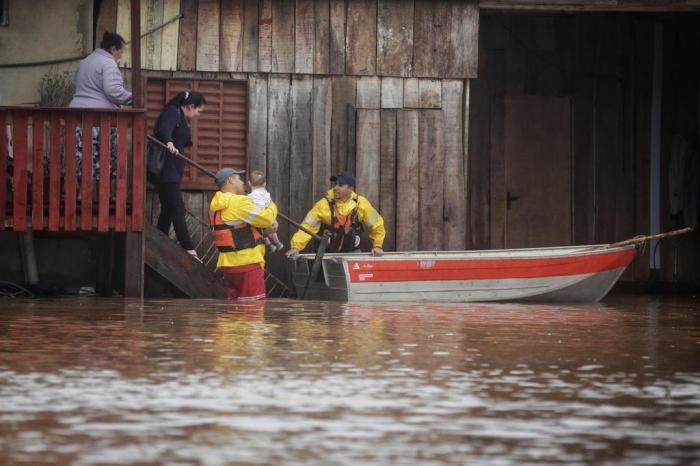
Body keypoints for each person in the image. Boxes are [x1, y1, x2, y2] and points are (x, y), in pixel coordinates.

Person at [70, 31, 132, 180]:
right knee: (103, 160)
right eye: (120, 52)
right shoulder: (108, 63)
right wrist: (132, 98)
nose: (120, 56)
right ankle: (102, 198)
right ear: (113, 49)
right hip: (100, 119)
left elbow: (74, 83)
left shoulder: (86, 61)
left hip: (77, 116)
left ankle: (79, 196)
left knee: (81, 158)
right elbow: (113, 90)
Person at [153, 90, 207, 261]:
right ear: (191, 106)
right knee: (177, 207)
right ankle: (189, 248)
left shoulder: (183, 118)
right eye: (199, 111)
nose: (198, 115)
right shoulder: (173, 111)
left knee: (169, 208)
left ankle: (158, 240)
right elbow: (164, 129)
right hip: (166, 170)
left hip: (173, 171)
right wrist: (169, 143)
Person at [210, 168, 278, 301]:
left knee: (234, 313)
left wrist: (263, 231)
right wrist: (271, 204)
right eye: (239, 179)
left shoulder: (215, 204)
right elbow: (267, 218)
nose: (243, 183)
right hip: (248, 263)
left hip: (228, 266)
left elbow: (235, 229)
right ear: (230, 180)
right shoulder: (238, 202)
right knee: (253, 311)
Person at [286, 171, 385, 257]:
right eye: (335, 184)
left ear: (350, 189)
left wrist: (377, 246)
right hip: (328, 254)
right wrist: (296, 247)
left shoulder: (361, 204)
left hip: (353, 253)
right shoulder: (323, 204)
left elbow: (377, 225)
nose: (335, 188)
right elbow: (307, 227)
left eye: (340, 185)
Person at [247, 170, 284, 252]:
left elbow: (249, 204)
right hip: (268, 214)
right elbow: (270, 202)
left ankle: (269, 245)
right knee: (272, 229)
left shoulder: (250, 196)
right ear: (265, 183)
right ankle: (277, 242)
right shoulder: (267, 194)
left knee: (261, 232)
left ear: (249, 183)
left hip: (259, 216)